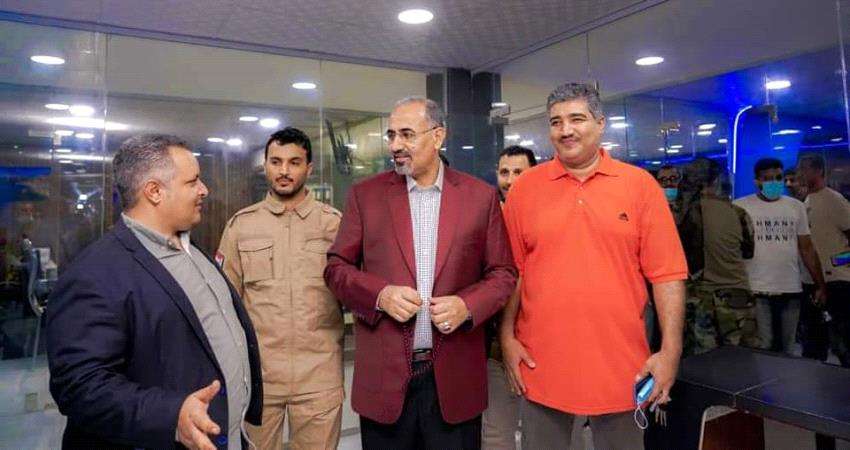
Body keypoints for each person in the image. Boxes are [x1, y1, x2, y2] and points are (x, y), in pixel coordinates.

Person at [500, 83, 687, 449]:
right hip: (541, 364)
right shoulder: (526, 189)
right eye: (556, 122)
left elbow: (667, 276)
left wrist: (670, 351)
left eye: (577, 119)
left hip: (623, 365)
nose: (565, 130)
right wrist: (506, 338)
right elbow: (513, 273)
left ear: (601, 124)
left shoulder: (640, 186)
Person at [324, 96, 517, 449]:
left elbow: (503, 273)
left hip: (455, 381)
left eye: (407, 134)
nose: (395, 145)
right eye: (391, 135)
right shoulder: (366, 196)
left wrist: (467, 305)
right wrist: (380, 295)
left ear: (438, 136)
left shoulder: (480, 197)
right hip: (385, 382)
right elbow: (336, 269)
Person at [46, 134, 262, 450]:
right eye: (193, 182)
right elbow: (79, 386)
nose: (204, 190)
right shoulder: (94, 274)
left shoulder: (191, 249)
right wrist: (171, 415)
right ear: (154, 191)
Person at [218, 127, 344, 449]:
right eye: (276, 162)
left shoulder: (334, 225)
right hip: (260, 377)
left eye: (294, 162)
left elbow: (357, 294)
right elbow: (224, 306)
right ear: (265, 166)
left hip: (319, 375)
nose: (284, 171)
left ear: (309, 168)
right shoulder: (241, 226)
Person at [733, 157, 826, 355]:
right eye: (768, 179)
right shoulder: (740, 207)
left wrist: (819, 284)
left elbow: (807, 248)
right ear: (757, 181)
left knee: (788, 347)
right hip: (756, 287)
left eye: (778, 178)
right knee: (763, 346)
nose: (774, 183)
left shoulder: (796, 207)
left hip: (790, 287)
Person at [482, 145, 536, 450]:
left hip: (545, 343)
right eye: (505, 172)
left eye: (519, 172)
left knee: (550, 431)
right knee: (496, 432)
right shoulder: (487, 221)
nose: (511, 180)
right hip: (497, 348)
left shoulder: (549, 218)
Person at [678, 158, 758, 355]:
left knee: (705, 361)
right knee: (741, 359)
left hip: (700, 299)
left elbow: (685, 255)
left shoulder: (687, 214)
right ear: (716, 181)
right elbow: (748, 252)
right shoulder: (739, 213)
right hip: (737, 296)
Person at [798, 153, 850, 366]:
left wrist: (837, 262)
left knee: (842, 340)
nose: (801, 174)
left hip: (836, 282)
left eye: (805, 169)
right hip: (812, 280)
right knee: (814, 342)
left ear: (818, 171)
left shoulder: (834, 200)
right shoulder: (806, 202)